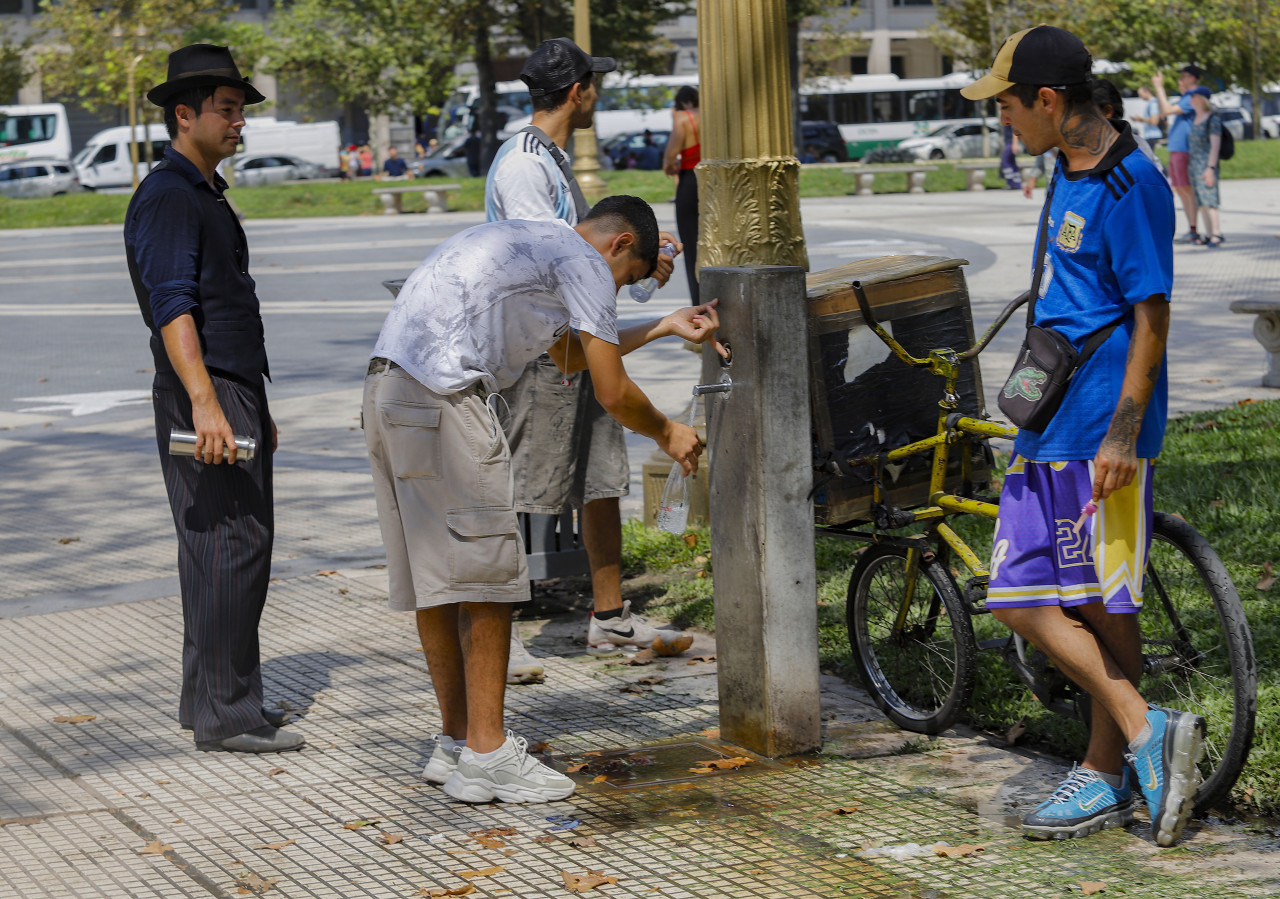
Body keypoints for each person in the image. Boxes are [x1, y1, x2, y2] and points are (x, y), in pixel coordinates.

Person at [362, 197, 725, 803]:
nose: (618, 289)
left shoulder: (536, 243)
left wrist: (660, 325)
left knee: (439, 581)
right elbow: (610, 391)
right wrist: (668, 431)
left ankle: (455, 743)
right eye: (630, 276)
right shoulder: (585, 263)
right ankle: (488, 758)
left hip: (390, 391)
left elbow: (567, 357)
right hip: (446, 399)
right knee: (490, 580)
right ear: (619, 245)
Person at [962, 26, 1202, 848]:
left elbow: (1152, 318)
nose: (1004, 121)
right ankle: (1143, 731)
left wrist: (1124, 435)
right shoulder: (1067, 168)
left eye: (1007, 105)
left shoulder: (1130, 185)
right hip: (1051, 418)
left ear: (1051, 102)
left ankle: (1112, 767)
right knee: (1022, 596)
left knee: (1100, 600)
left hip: (1100, 429)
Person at [486, 37, 684, 683]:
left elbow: (584, 256)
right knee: (519, 487)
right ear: (579, 92)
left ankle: (610, 615)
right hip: (542, 347)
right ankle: (496, 631)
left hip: (574, 336)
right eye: (593, 83)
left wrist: (640, 265)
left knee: (600, 479)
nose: (598, 91)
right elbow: (550, 261)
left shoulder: (549, 158)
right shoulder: (523, 165)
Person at [124, 44, 303, 754]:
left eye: (239, 110)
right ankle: (227, 714)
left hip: (231, 387)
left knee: (216, 546)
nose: (238, 123)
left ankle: (213, 697)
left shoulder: (198, 190)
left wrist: (252, 401)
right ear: (185, 113)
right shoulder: (169, 195)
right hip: (206, 390)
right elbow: (173, 307)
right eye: (227, 110)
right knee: (233, 545)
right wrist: (206, 402)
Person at [1150, 65, 1203, 243]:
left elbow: (1166, 111)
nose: (1180, 80)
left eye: (1183, 76)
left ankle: (1194, 228)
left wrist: (1159, 87)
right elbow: (1163, 112)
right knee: (1180, 189)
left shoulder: (1193, 96)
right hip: (1177, 148)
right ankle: (1192, 228)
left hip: (1184, 149)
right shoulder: (1186, 97)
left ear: (1193, 78)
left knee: (1186, 189)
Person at [662, 85, 701, 303]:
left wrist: (668, 165)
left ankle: (698, 300)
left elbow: (671, 152)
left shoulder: (683, 117)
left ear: (683, 103)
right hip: (714, 180)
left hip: (690, 179)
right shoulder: (711, 114)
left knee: (692, 244)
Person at [1093, 79, 1162, 172]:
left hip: (1152, 135)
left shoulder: (1136, 148)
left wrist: (1139, 119)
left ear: (1108, 111)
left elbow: (1154, 121)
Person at [1186, 86, 1224, 247]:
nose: (1190, 99)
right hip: (1194, 165)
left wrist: (1211, 168)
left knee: (1210, 199)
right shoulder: (1195, 118)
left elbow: (1215, 146)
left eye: (1193, 96)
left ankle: (1216, 233)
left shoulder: (1212, 119)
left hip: (1206, 164)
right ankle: (1208, 234)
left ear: (1201, 99)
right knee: (1201, 202)